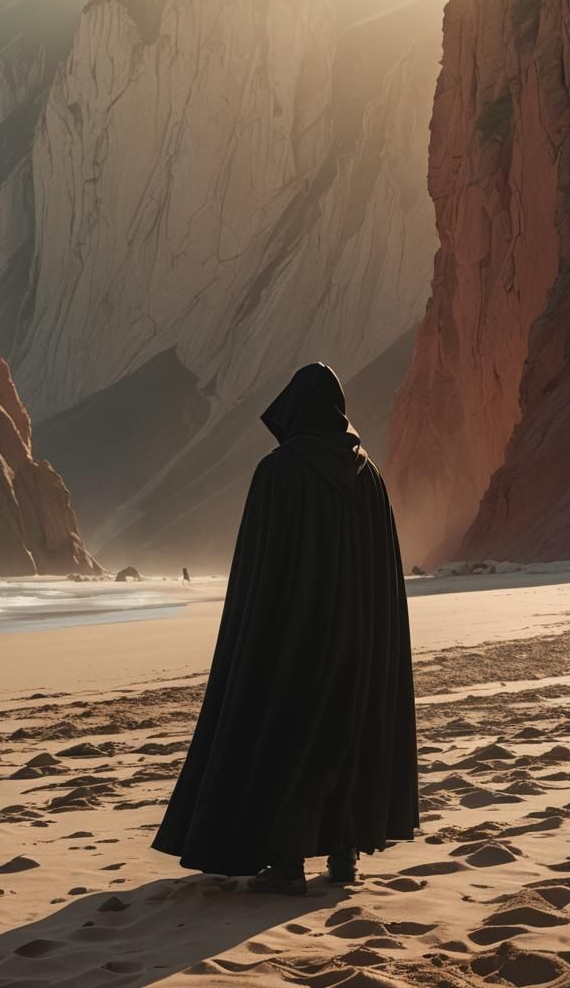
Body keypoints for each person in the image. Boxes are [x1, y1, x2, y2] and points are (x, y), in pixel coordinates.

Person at [151, 362, 418, 895]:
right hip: (359, 638)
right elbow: (382, 573)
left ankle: (287, 862)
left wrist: (253, 634)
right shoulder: (370, 476)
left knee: (286, 732)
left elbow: (260, 568)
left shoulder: (278, 472)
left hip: (294, 634)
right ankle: (344, 855)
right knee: (347, 734)